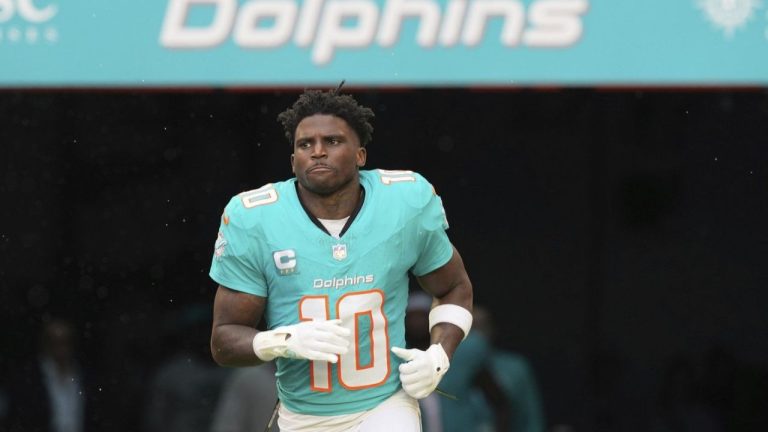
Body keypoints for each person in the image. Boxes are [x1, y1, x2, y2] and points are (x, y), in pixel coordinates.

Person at [208, 87, 474, 432]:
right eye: (305, 144)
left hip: (385, 404)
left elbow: (454, 287)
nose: (318, 151)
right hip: (302, 416)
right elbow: (223, 341)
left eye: (332, 141)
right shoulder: (255, 218)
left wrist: (438, 355)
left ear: (360, 155)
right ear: (293, 161)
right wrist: (281, 341)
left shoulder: (404, 202)